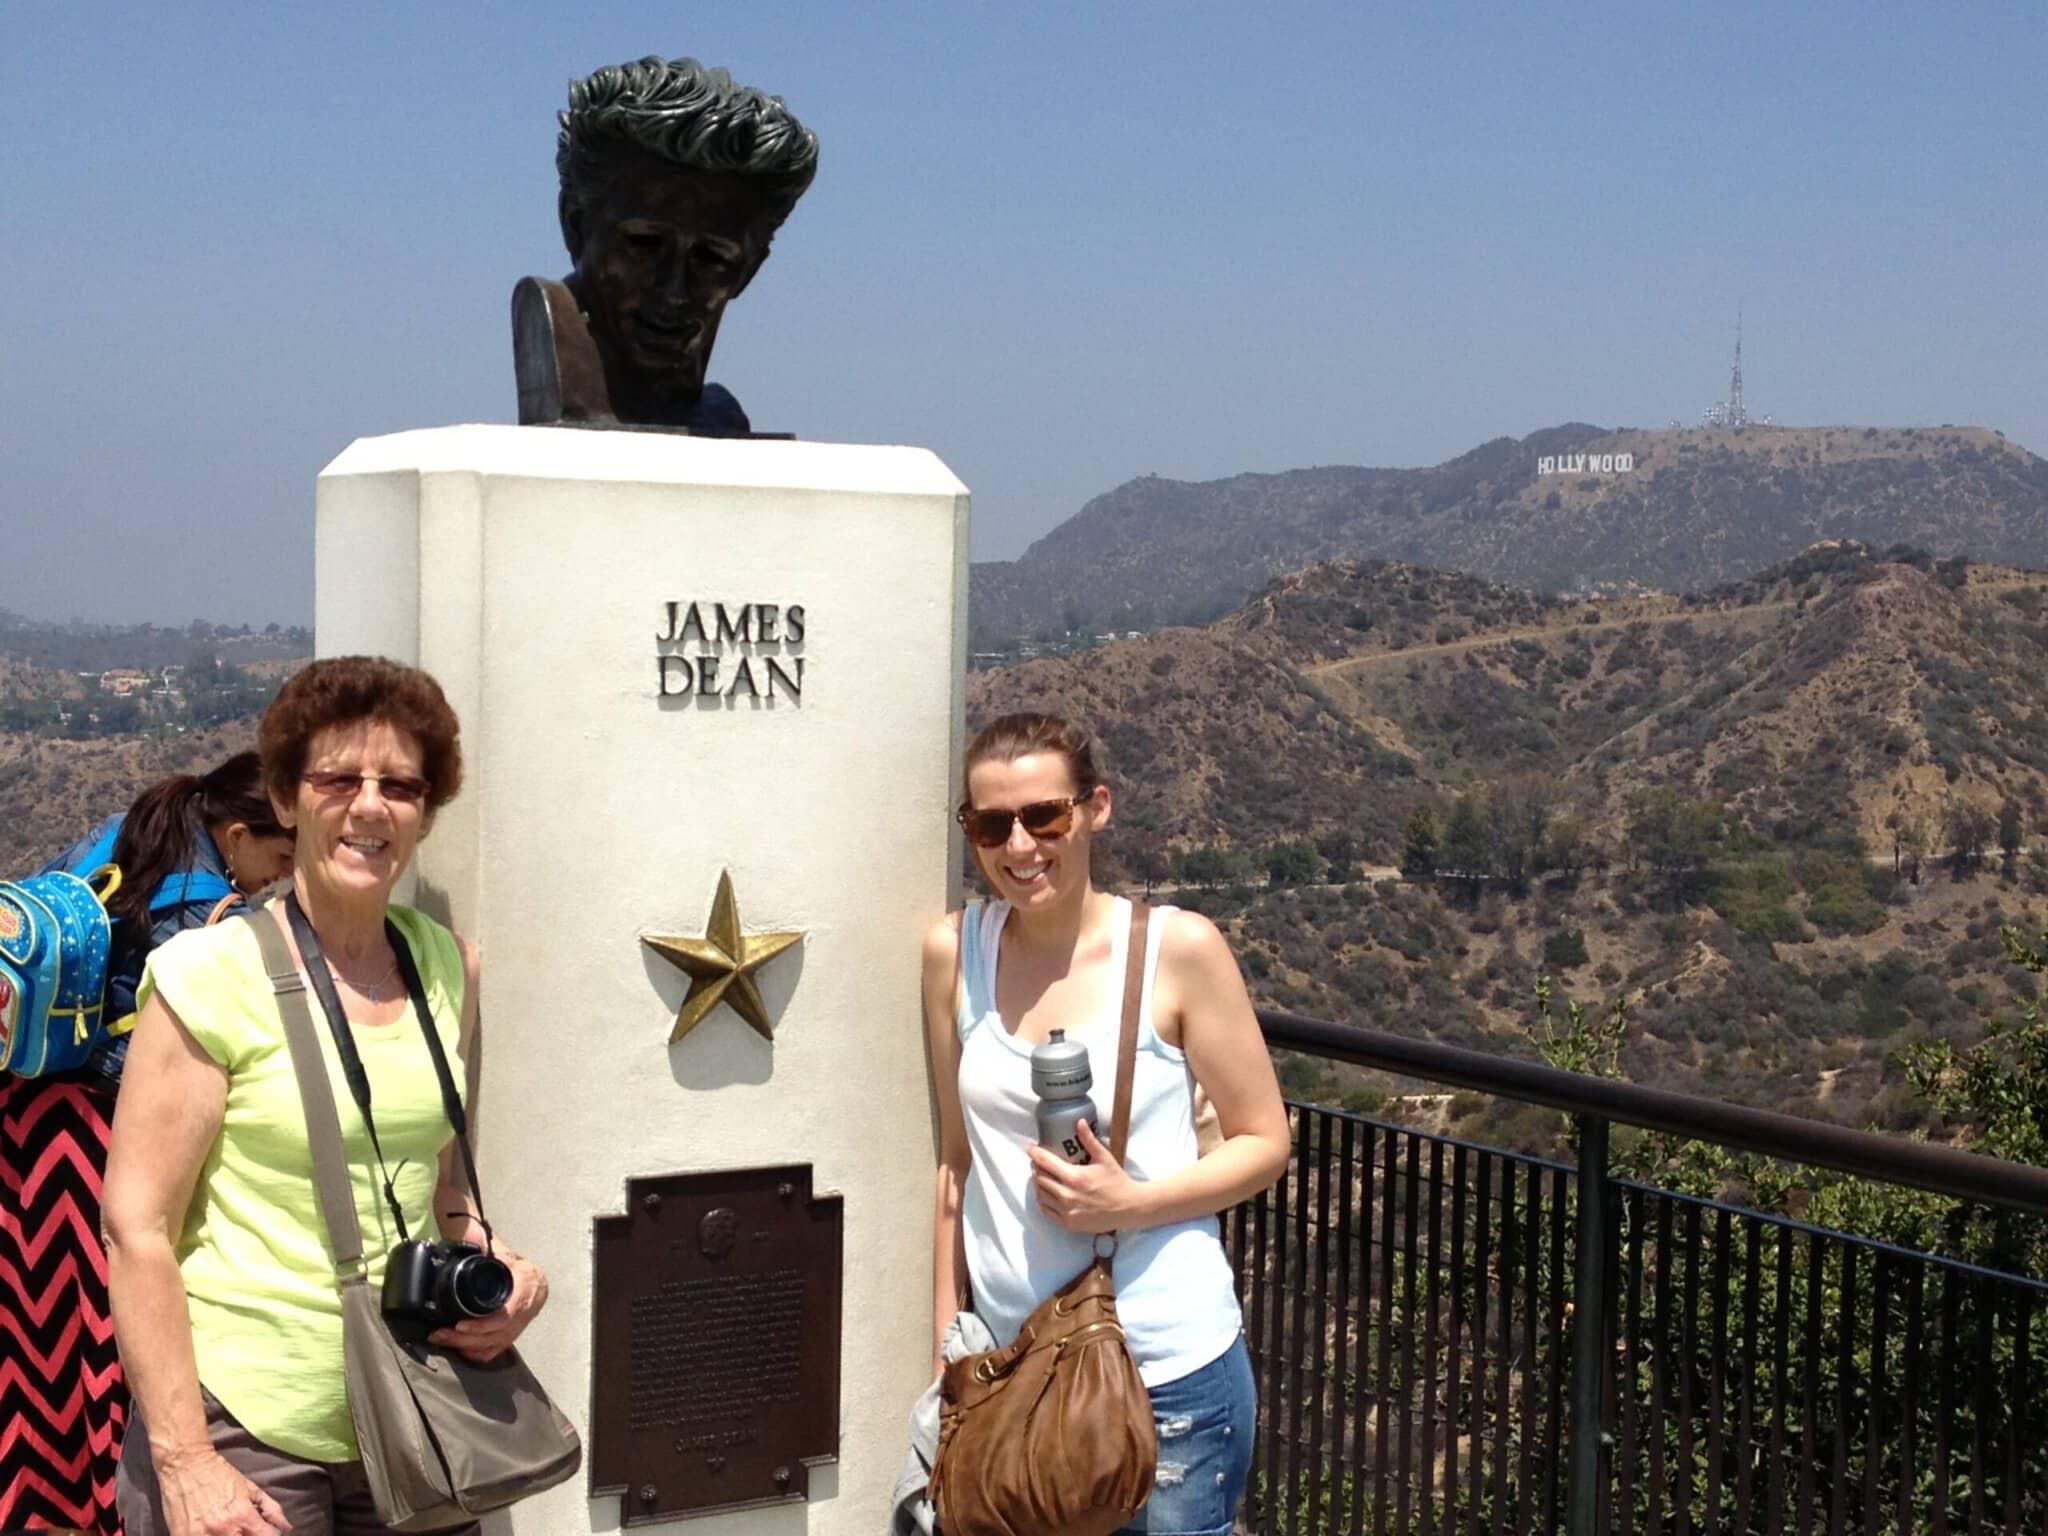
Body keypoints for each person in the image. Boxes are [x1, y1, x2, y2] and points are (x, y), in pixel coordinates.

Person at [103, 656, 551, 1536]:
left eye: (401, 785)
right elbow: (137, 1226)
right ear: (285, 797)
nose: (371, 805)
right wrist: (186, 1463)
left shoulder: (444, 968)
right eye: (339, 778)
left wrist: (510, 1275)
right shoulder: (207, 975)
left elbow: (445, 1192)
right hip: (250, 1432)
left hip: (418, 1413)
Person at [922, 712, 1291, 1536]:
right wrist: (946, 1348)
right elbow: (955, 1165)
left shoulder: (1178, 951)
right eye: (990, 825)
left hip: (1167, 1375)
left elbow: (1266, 1144)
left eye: (1043, 817)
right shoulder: (957, 954)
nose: (1019, 847)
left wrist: (1126, 1203)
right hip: (1011, 1375)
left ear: (1096, 809)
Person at [0, 753, 294, 1536]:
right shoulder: (212, 918)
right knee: (121, 1327)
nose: (284, 876)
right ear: (237, 834)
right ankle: (108, 1502)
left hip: (28, 1115)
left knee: (46, 1335)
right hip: (100, 1128)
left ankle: (44, 1498)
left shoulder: (129, 829)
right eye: (281, 855)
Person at [516, 54, 819, 432]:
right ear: (574, 225)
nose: (675, 290)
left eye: (711, 258)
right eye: (645, 243)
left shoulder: (721, 413)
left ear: (749, 271)